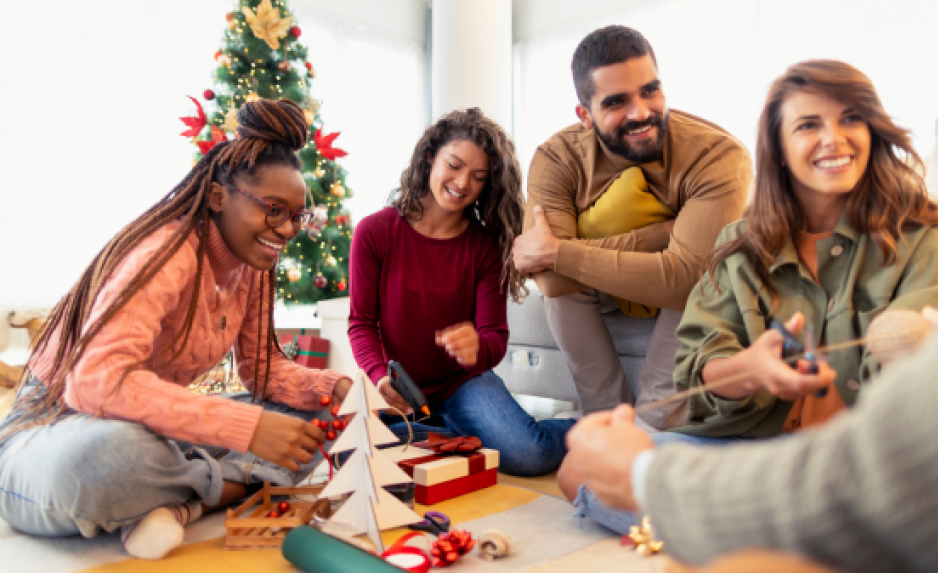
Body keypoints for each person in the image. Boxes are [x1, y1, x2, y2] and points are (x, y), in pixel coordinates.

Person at [559, 60, 938, 534]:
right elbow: (700, 362)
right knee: (581, 474)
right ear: (780, 148)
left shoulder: (929, 239)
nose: (834, 138)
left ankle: (764, 534)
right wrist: (747, 371)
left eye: (850, 118)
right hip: (753, 452)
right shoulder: (741, 245)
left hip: (872, 466)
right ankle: (796, 536)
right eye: (808, 125)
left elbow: (921, 398)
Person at [0, 99, 353, 560]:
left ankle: (173, 501)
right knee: (113, 456)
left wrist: (339, 386)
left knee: (321, 417)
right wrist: (246, 429)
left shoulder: (253, 266)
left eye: (296, 216)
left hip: (153, 429)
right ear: (217, 197)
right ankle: (216, 488)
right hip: (56, 428)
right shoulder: (163, 253)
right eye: (273, 209)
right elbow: (95, 382)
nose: (286, 230)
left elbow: (262, 372)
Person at [512, 25, 752, 429]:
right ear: (584, 116)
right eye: (617, 102)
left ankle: (655, 420)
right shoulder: (557, 158)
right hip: (617, 281)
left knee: (709, 276)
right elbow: (552, 282)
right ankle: (606, 418)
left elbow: (686, 277)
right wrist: (661, 235)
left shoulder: (717, 156)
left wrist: (561, 251)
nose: (640, 112)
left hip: (693, 288)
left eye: (650, 91)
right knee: (563, 291)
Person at [347, 108, 575, 477]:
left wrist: (476, 349)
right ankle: (458, 435)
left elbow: (494, 341)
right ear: (429, 157)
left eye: (478, 177)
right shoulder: (375, 232)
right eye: (454, 165)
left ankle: (579, 425)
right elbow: (360, 323)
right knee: (363, 453)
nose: (463, 183)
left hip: (463, 385)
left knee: (528, 456)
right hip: (401, 387)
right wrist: (378, 376)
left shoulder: (484, 247)